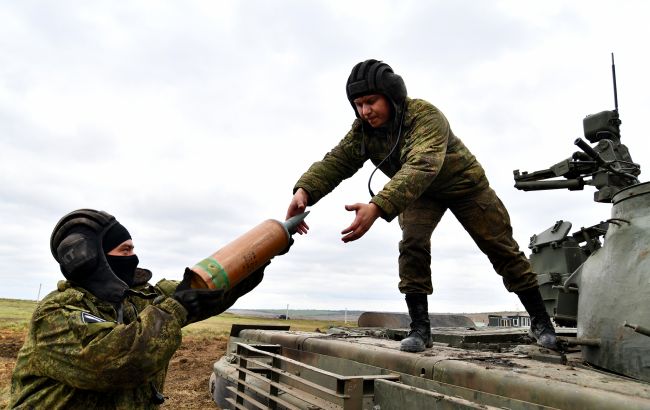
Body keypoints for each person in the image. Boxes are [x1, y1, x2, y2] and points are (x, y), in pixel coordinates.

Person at [285, 59, 557, 353]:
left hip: (465, 186)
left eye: (371, 101)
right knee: (412, 244)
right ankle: (420, 328)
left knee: (500, 247)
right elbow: (337, 161)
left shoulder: (424, 116)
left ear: (391, 95)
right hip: (420, 192)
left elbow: (423, 164)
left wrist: (377, 206)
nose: (365, 111)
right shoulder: (364, 130)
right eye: (358, 104)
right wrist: (305, 191)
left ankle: (541, 322)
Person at [10, 209, 272, 409]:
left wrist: (265, 248)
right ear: (91, 259)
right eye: (125, 250)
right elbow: (121, 362)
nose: (133, 257)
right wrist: (176, 307)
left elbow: (209, 289)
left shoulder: (137, 299)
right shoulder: (57, 314)